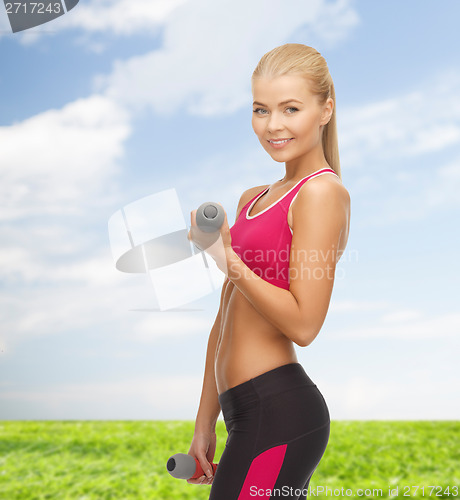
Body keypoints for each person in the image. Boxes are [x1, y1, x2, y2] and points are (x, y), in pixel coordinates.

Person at [187, 43, 350, 499]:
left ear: (325, 110)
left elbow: (304, 324)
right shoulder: (252, 199)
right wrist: (205, 422)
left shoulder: (321, 194)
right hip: (241, 410)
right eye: (261, 109)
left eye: (290, 109)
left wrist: (226, 260)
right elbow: (224, 319)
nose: (273, 125)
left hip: (279, 412)